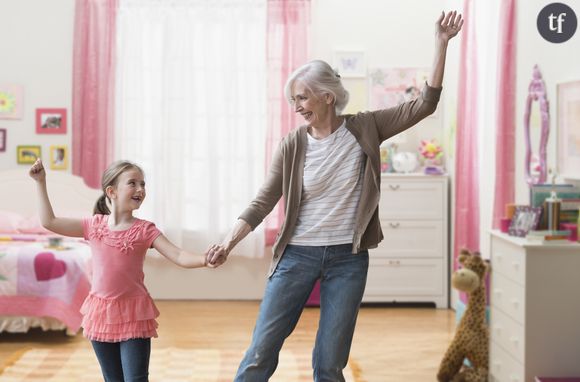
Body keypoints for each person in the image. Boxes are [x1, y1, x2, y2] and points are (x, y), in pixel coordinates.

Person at [206, 10, 463, 382]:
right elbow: (263, 202)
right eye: (294, 100)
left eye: (302, 98)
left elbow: (424, 105)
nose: (297, 107)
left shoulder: (366, 128)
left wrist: (440, 44)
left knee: (330, 363)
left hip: (348, 259)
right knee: (261, 352)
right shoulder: (293, 145)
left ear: (327, 96)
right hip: (297, 256)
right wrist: (228, 242)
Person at [29, 158, 214, 382]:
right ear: (112, 191)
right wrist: (40, 182)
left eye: (143, 184)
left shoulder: (145, 230)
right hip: (100, 313)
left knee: (135, 379)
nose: (140, 189)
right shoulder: (93, 225)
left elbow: (179, 255)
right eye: (133, 183)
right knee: (112, 379)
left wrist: (205, 259)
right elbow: (49, 221)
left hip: (134, 313)